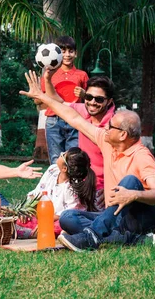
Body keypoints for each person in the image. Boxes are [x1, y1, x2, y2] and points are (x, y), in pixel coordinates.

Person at [20, 70, 155, 251]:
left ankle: (91, 237)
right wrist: (41, 96)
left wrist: (134, 194)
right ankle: (132, 240)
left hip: (144, 220)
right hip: (115, 216)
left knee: (130, 182)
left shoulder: (141, 156)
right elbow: (74, 118)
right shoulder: (108, 142)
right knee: (68, 217)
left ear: (122, 135)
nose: (106, 128)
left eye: (110, 126)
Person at [43, 72, 116, 209]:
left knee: (71, 219)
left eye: (99, 99)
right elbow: (58, 102)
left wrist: (111, 189)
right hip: (79, 182)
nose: (93, 102)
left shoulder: (115, 126)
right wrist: (47, 80)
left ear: (109, 101)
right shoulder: (83, 110)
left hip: (102, 189)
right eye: (89, 97)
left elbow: (123, 165)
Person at [16, 147, 97, 238]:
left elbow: (68, 216)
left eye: (63, 155)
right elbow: (37, 192)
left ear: (64, 168)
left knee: (61, 225)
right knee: (20, 218)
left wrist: (47, 221)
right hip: (43, 216)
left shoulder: (72, 189)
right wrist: (25, 210)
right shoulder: (52, 170)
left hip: (58, 220)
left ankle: (35, 232)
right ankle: (33, 231)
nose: (61, 153)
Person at [39, 36, 88, 166]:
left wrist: (84, 94)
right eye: (63, 51)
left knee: (74, 157)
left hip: (74, 119)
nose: (67, 55)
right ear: (57, 54)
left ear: (76, 53)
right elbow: (45, 99)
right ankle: (56, 185)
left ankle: (73, 186)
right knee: (56, 159)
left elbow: (90, 100)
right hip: (54, 120)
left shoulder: (81, 75)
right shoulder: (49, 74)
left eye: (70, 51)